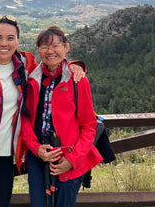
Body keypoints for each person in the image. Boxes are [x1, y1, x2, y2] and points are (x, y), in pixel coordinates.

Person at [0, 16, 85, 207]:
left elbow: (51, 63)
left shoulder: (25, 65)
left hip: (5, 155)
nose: (4, 43)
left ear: (18, 41)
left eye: (10, 38)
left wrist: (73, 65)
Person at [21, 25, 103, 207]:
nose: (50, 51)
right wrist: (36, 149)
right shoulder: (33, 80)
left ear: (66, 48)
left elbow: (89, 125)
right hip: (39, 158)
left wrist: (72, 160)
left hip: (68, 159)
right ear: (38, 51)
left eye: (55, 46)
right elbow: (26, 118)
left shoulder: (77, 80)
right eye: (44, 47)